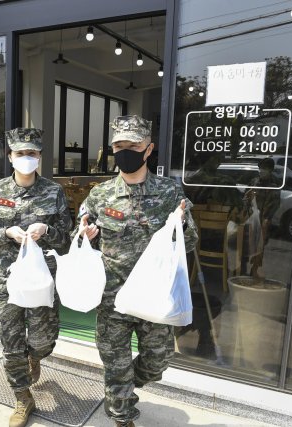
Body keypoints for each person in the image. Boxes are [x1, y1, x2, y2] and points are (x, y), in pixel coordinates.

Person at [74, 115, 199, 427]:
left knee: (158, 361)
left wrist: (181, 224)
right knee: (114, 364)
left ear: (149, 149)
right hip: (112, 297)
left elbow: (192, 240)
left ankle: (122, 387)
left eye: (133, 145)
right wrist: (86, 234)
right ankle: (122, 413)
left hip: (155, 297)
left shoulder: (170, 192)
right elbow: (80, 231)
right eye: (119, 145)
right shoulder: (100, 194)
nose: (125, 151)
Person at [0, 127, 72, 427]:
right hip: (5, 280)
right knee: (10, 343)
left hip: (41, 280)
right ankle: (22, 397)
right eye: (20, 153)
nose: (26, 158)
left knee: (44, 340)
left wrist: (47, 230)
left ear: (39, 157)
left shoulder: (53, 192)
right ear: (10, 156)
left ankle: (35, 357)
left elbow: (66, 240)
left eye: (31, 153)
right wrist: (6, 232)